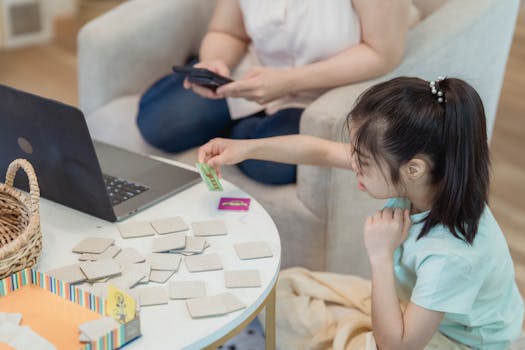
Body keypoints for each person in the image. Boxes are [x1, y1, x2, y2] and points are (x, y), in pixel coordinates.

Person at [197, 77, 524, 349]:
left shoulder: (450, 256)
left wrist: (381, 256)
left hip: (460, 342)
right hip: (416, 309)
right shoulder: (428, 181)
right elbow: (320, 149)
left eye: (363, 161)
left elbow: (396, 347)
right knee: (283, 288)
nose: (353, 164)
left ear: (414, 168)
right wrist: (245, 149)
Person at [136, 0, 419, 185]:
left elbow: (383, 53)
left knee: (269, 166)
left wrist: (287, 82)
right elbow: (228, 31)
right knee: (157, 120)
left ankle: (244, 131)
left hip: (322, 90)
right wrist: (214, 63)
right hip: (253, 71)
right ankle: (244, 127)